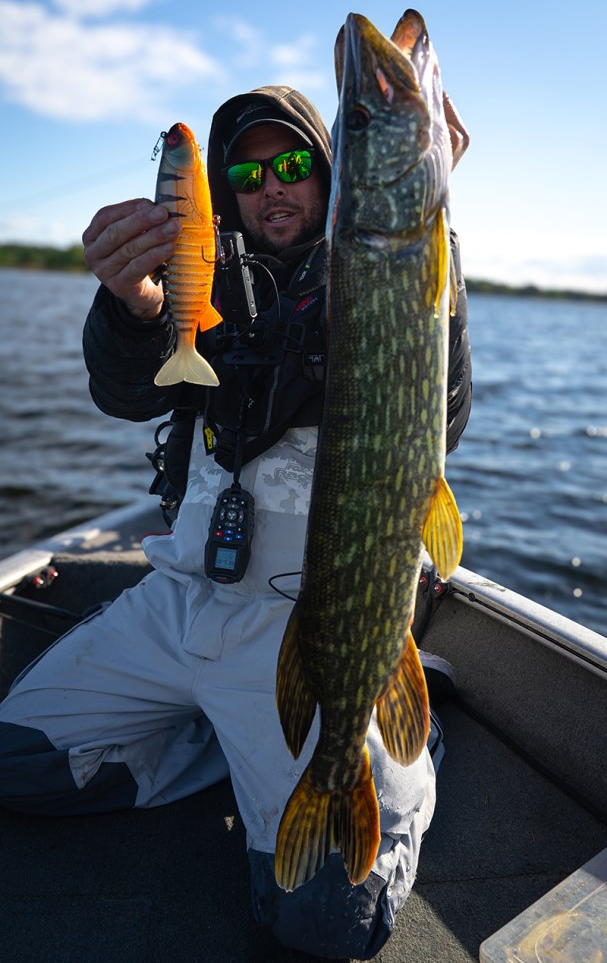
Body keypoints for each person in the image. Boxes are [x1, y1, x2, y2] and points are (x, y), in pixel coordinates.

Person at [0, 85, 472, 959]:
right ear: (225, 192)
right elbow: (124, 391)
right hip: (182, 601)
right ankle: (220, 738)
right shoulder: (197, 282)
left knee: (327, 919)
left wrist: (426, 218)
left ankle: (410, 740)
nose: (271, 187)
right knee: (14, 762)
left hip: (307, 621)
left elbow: (438, 414)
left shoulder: (376, 277)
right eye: (247, 176)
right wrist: (132, 309)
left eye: (291, 164)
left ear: (329, 175)